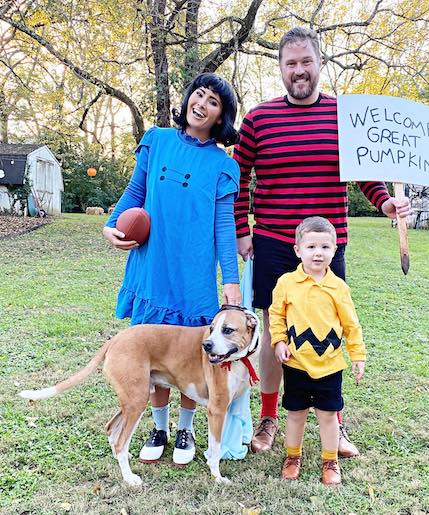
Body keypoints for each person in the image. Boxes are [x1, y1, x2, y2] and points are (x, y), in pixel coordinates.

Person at [233, 27, 411, 456]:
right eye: (290, 63)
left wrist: (385, 202)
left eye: (305, 62)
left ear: (319, 64)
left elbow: (367, 174)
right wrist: (242, 229)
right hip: (275, 242)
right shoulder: (258, 119)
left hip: (329, 246)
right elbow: (237, 179)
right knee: (278, 330)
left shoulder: (347, 117)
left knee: (328, 329)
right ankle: (270, 416)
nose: (299, 71)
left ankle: (336, 422)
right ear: (280, 69)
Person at [103, 73, 242, 467]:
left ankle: (185, 427)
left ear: (221, 116)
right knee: (157, 350)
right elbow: (135, 192)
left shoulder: (222, 165)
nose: (202, 103)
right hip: (153, 264)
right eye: (198, 94)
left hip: (194, 274)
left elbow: (223, 225)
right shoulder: (158, 140)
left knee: (190, 355)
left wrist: (230, 279)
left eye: (213, 101)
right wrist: (111, 224)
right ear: (187, 99)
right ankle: (159, 426)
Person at [270, 216, 366, 485]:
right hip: (297, 362)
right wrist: (278, 341)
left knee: (328, 415)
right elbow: (276, 316)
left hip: (330, 365)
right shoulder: (287, 283)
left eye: (325, 247)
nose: (318, 253)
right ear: (298, 250)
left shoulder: (339, 287)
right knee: (295, 413)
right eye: (311, 247)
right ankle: (292, 457)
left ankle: (330, 460)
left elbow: (351, 324)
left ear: (334, 251)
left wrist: (357, 354)